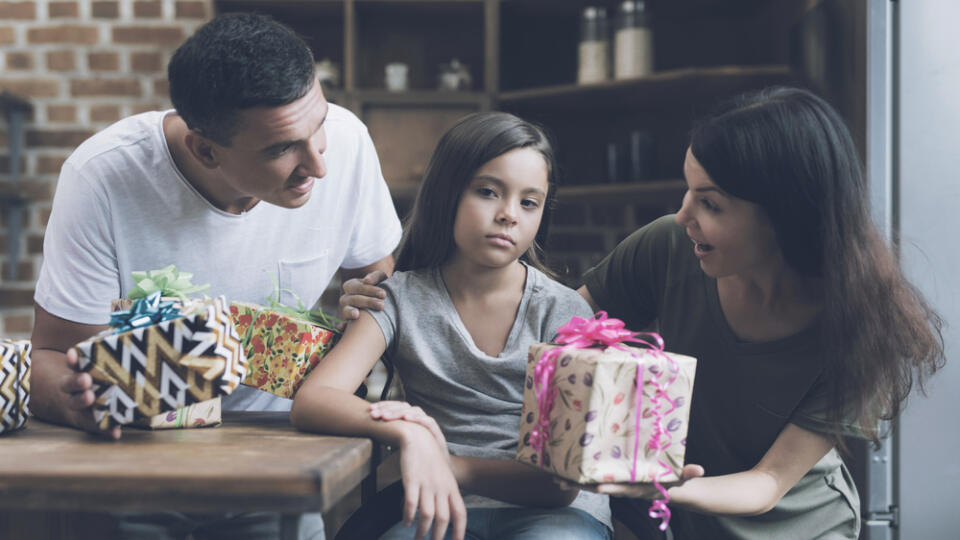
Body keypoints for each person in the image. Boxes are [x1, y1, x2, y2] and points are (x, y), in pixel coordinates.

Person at [341, 87, 946, 539]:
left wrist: (654, 484)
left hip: (794, 527)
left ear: (783, 215)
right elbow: (551, 334)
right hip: (675, 524)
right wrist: (394, 289)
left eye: (709, 203)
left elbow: (765, 487)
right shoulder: (670, 246)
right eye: (688, 191)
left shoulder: (862, 332)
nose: (684, 216)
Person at [30, 13, 401, 539]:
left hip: (280, 462)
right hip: (133, 470)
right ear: (204, 148)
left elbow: (376, 269)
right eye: (280, 150)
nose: (317, 165)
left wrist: (366, 295)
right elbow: (49, 356)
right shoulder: (102, 177)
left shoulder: (347, 141)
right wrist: (82, 403)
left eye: (317, 128)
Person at [291, 112, 612, 540]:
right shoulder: (398, 298)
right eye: (487, 192)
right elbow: (315, 399)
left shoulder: (564, 311)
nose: (508, 215)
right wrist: (411, 432)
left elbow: (559, 487)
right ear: (447, 193)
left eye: (528, 202)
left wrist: (448, 463)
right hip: (434, 504)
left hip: (558, 516)